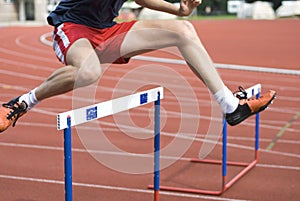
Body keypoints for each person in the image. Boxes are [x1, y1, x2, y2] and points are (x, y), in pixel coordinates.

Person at [0, 0, 276, 133]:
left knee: (184, 31)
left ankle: (230, 105)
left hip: (107, 31)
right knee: (89, 72)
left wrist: (179, 10)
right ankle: (22, 103)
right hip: (73, 28)